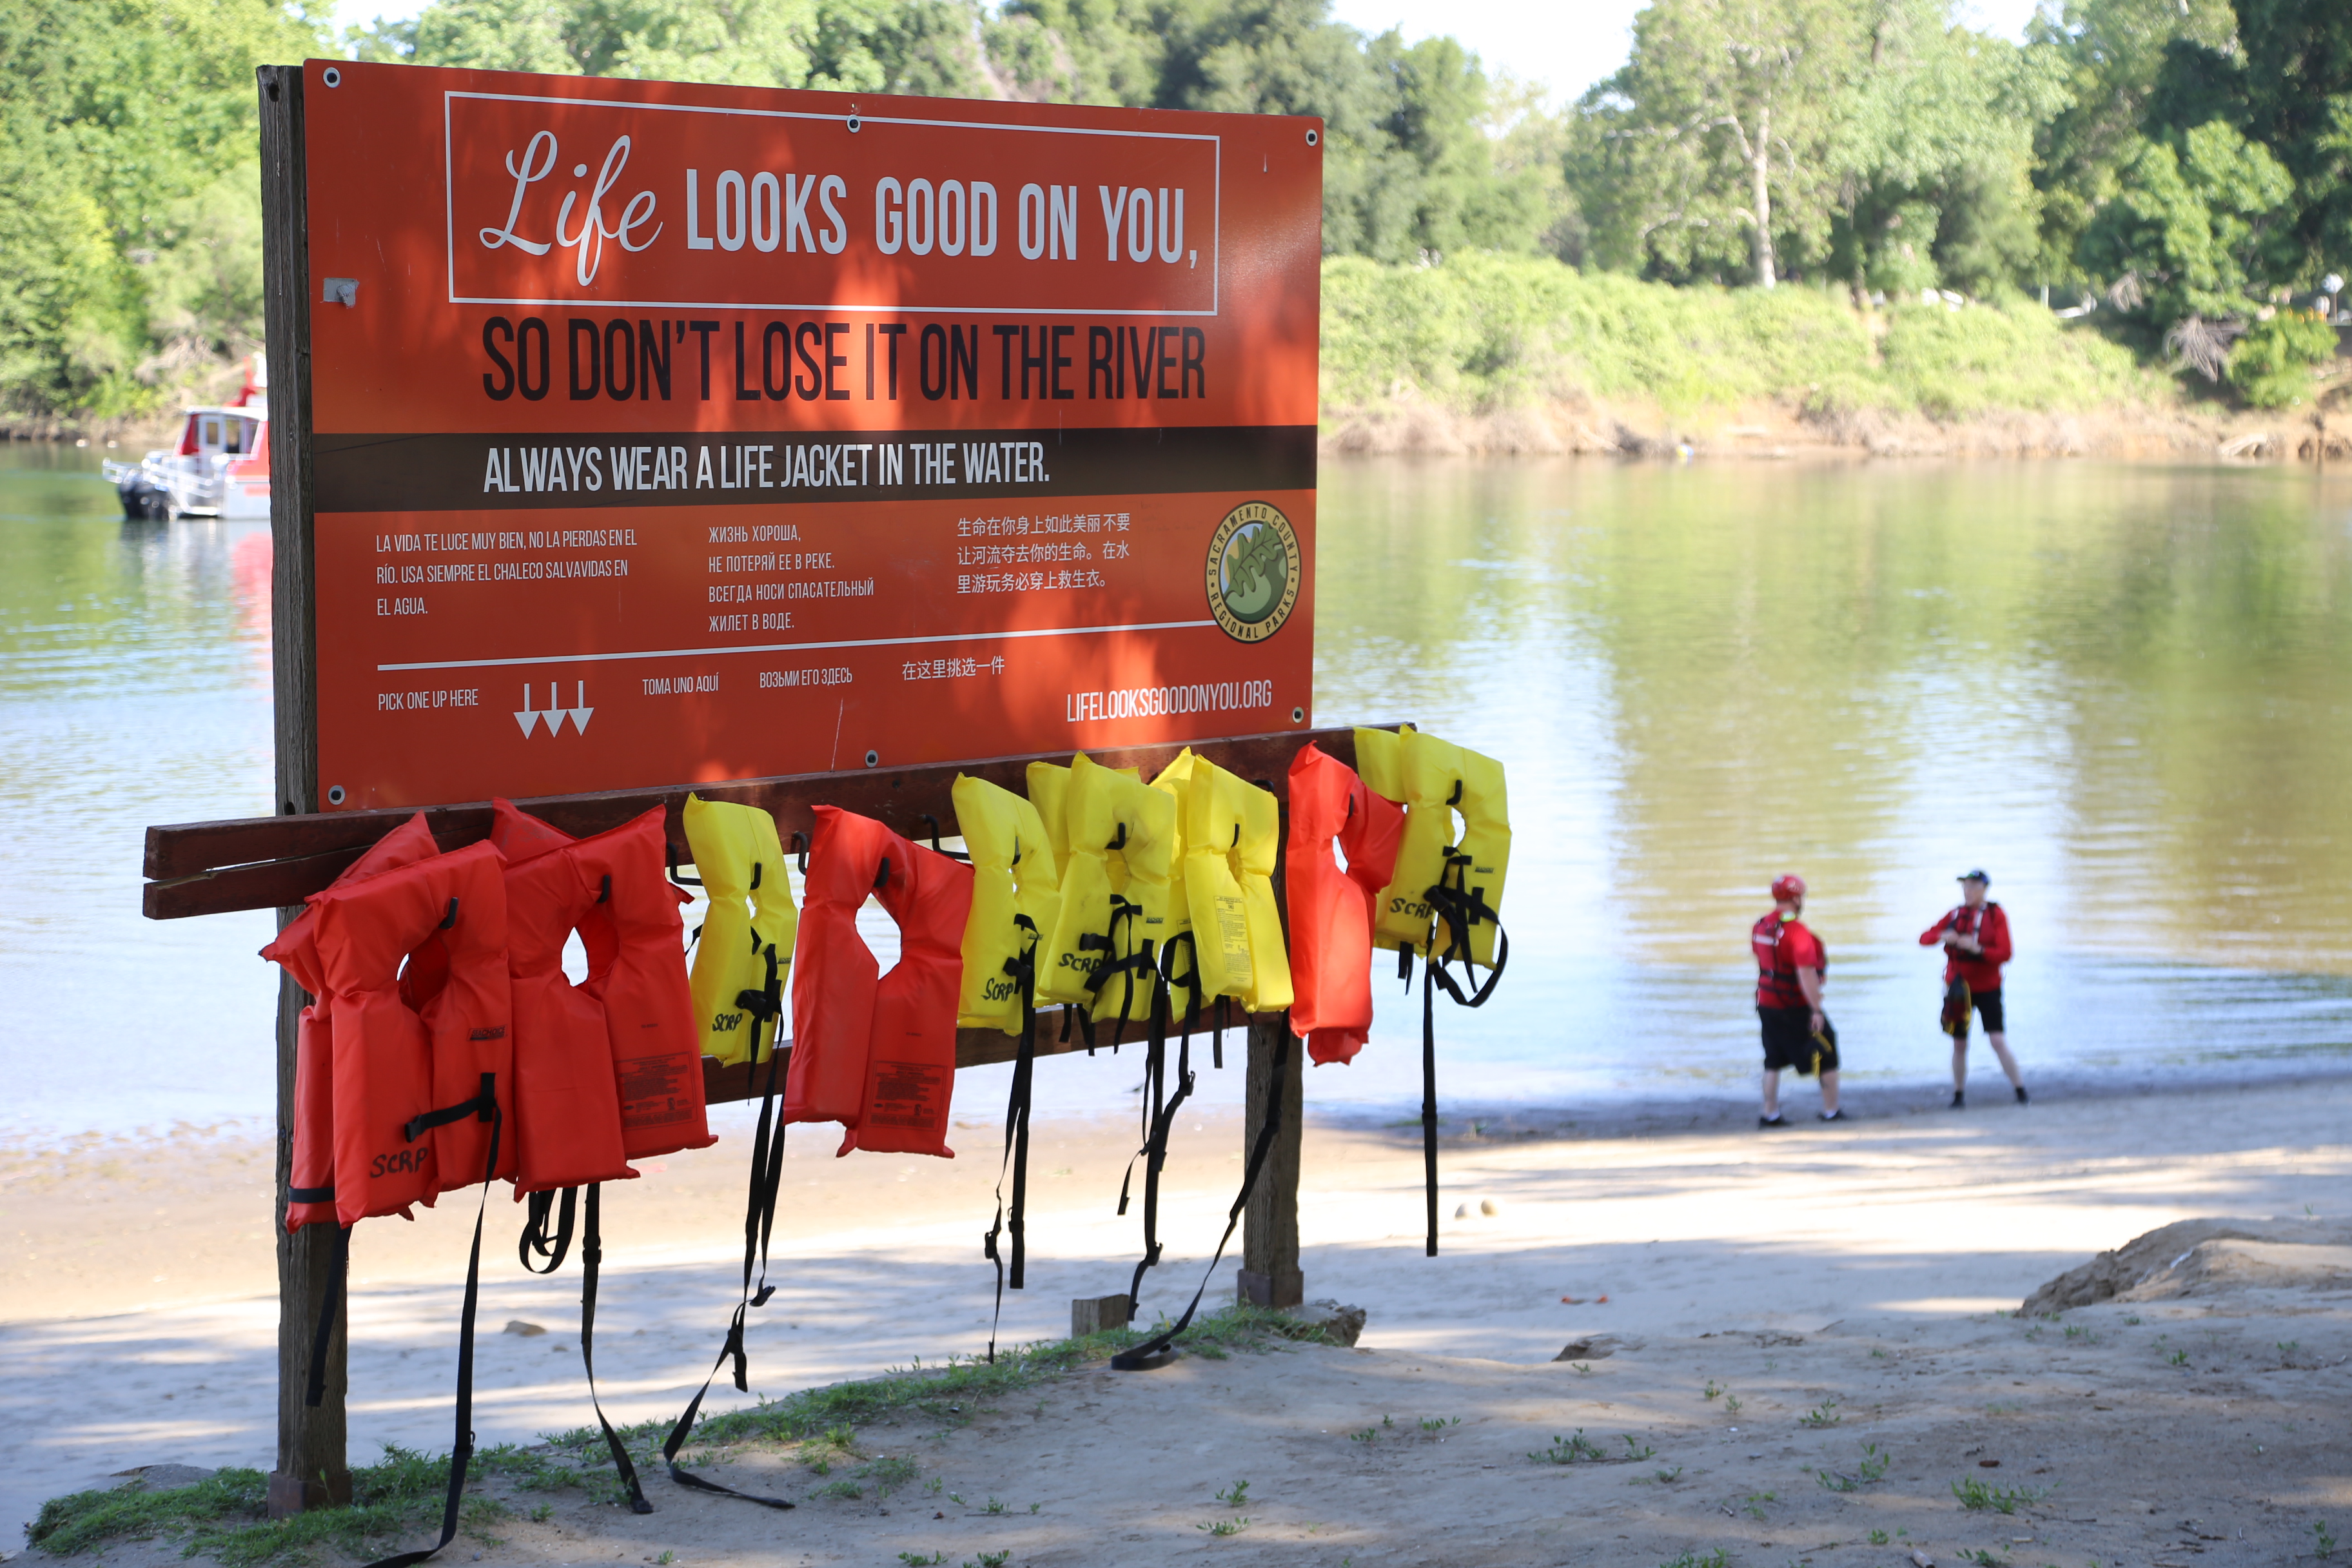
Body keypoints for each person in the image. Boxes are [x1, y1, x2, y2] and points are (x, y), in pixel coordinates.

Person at [1919, 869, 2025, 1108]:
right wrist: (1943, 935)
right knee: (1959, 1043)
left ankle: (2020, 1090)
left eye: (1973, 887)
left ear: (1984, 890)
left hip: (1988, 988)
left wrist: (1977, 949)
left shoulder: (1996, 914)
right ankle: (1958, 1095)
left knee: (1997, 1040)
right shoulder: (1955, 914)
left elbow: (2006, 954)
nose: (1968, 891)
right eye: (1965, 887)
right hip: (1958, 990)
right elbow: (1924, 939)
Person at [1750, 874, 1842, 1127]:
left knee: (1772, 1058)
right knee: (1827, 1048)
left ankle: (1769, 1113)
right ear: (1796, 898)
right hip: (1793, 1003)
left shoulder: (1760, 926)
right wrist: (1816, 1010)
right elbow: (1806, 975)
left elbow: (1763, 960)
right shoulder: (1797, 931)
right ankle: (1831, 1111)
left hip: (1765, 1001)